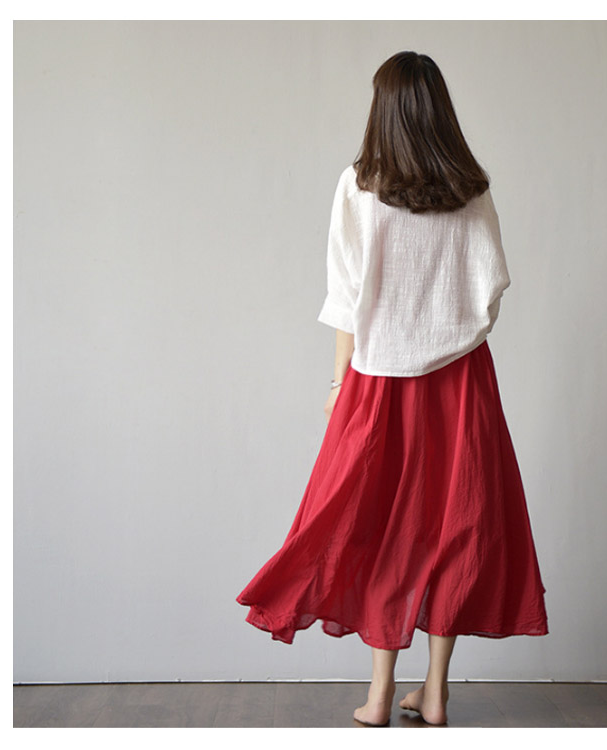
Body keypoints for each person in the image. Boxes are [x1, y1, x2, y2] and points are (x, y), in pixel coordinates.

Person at [236, 50, 549, 728]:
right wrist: (450, 331)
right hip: (462, 384)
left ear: (383, 110)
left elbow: (345, 296)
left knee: (383, 531)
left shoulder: (358, 186)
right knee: (456, 529)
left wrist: (339, 381)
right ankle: (435, 692)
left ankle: (379, 695)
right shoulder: (472, 188)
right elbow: (492, 285)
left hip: (379, 384)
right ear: (440, 110)